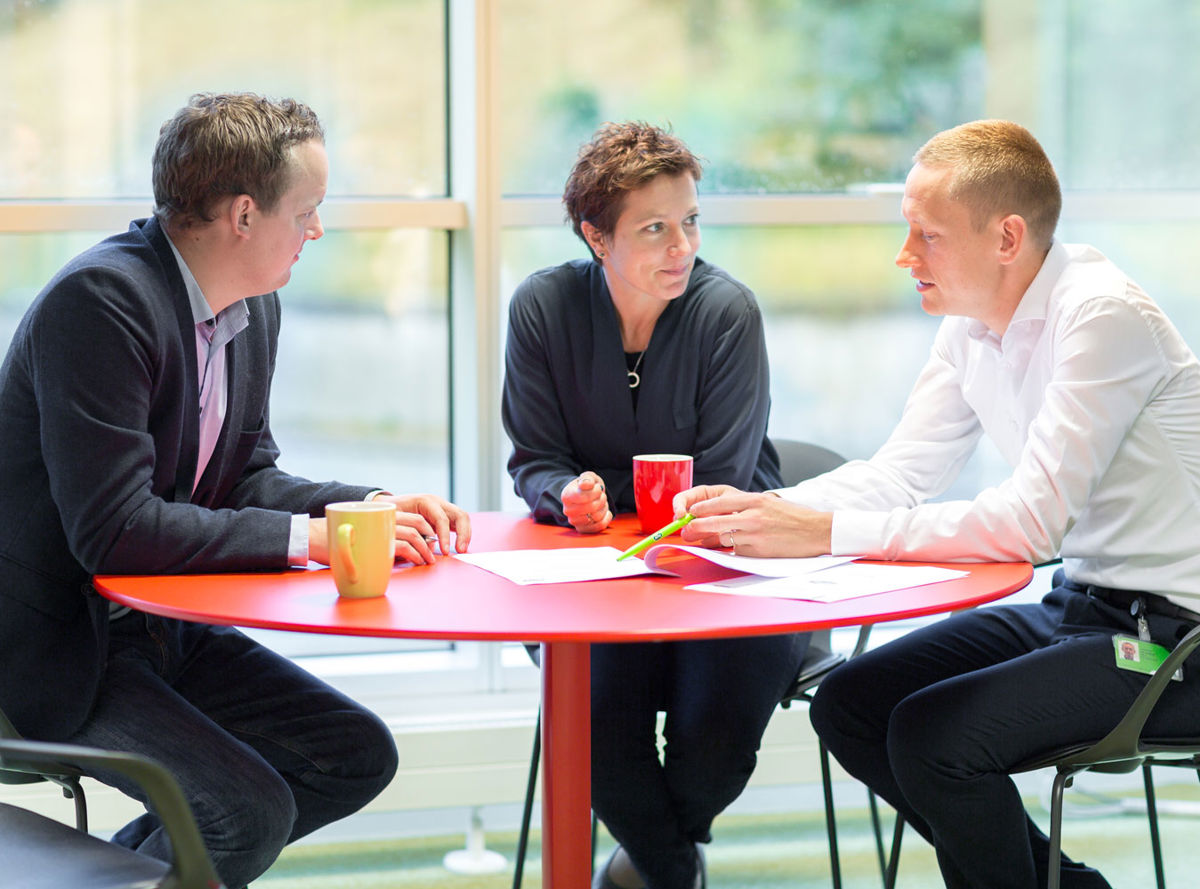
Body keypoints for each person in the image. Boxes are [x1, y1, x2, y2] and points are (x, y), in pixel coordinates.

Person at [674, 119, 1200, 889]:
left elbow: (1031, 522)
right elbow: (900, 473)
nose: (904, 255)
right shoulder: (970, 325)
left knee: (933, 738)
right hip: (1081, 609)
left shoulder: (1102, 317)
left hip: (1176, 641)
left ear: (1006, 238)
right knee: (852, 704)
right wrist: (759, 513)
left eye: (927, 235)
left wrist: (821, 530)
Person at [0, 92, 471, 889]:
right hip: (57, 647)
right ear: (245, 215)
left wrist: (364, 507)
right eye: (308, 210)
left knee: (353, 755)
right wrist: (310, 542)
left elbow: (246, 476)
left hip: (155, 626)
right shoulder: (102, 304)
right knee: (246, 809)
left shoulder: (253, 305)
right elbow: (113, 531)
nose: (317, 231)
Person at [502, 121, 807, 889]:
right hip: (590, 574)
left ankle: (648, 861)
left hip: (727, 567)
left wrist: (614, 500)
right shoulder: (541, 308)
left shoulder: (726, 312)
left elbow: (726, 474)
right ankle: (673, 870)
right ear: (595, 237)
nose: (683, 246)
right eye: (655, 228)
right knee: (595, 717)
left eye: (691, 222)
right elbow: (535, 458)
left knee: (719, 734)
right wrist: (562, 494)